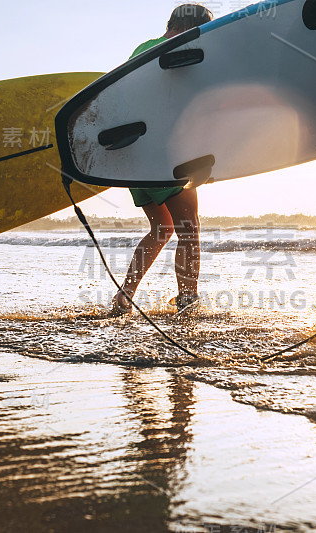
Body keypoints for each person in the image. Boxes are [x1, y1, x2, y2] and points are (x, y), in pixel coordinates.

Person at [111, 4, 214, 316]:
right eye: (202, 32)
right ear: (186, 27)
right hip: (160, 155)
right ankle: (188, 300)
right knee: (189, 227)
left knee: (162, 228)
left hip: (130, 157)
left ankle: (124, 297)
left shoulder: (143, 48)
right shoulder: (175, 51)